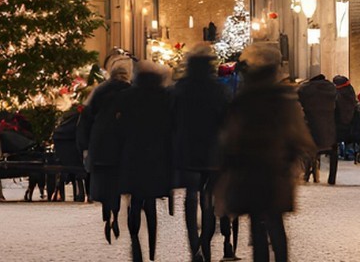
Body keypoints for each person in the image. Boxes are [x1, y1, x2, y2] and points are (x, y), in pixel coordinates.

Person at [214, 43, 314, 262]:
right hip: (276, 170)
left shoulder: (243, 100)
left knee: (257, 225)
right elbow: (299, 135)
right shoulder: (284, 99)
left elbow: (230, 137)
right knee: (276, 224)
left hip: (248, 170)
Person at [171, 45, 230, 262]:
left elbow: (172, 119)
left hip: (186, 150)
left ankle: (193, 244)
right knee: (209, 198)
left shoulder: (180, 88)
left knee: (190, 197)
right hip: (212, 152)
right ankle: (205, 240)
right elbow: (226, 119)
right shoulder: (218, 89)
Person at [118, 62, 174, 262]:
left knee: (136, 199)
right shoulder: (165, 97)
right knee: (150, 202)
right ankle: (151, 248)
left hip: (133, 155)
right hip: (157, 156)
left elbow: (119, 129)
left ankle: (135, 240)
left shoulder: (127, 97)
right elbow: (171, 128)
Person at [79, 56, 133, 240]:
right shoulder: (131, 92)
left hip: (100, 143)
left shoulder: (98, 91)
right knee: (117, 184)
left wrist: (85, 146)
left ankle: (107, 214)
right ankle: (116, 215)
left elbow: (85, 120)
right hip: (121, 145)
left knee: (103, 182)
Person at [296, 73, 338, 185]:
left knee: (305, 148)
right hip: (329, 129)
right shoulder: (332, 89)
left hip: (310, 127)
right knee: (333, 151)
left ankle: (306, 174)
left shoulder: (304, 89)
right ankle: (332, 178)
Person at [331, 76, 359, 161]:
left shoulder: (337, 93)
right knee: (349, 137)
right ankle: (349, 153)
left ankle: (340, 153)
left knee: (338, 136)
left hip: (339, 120)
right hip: (351, 119)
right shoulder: (350, 90)